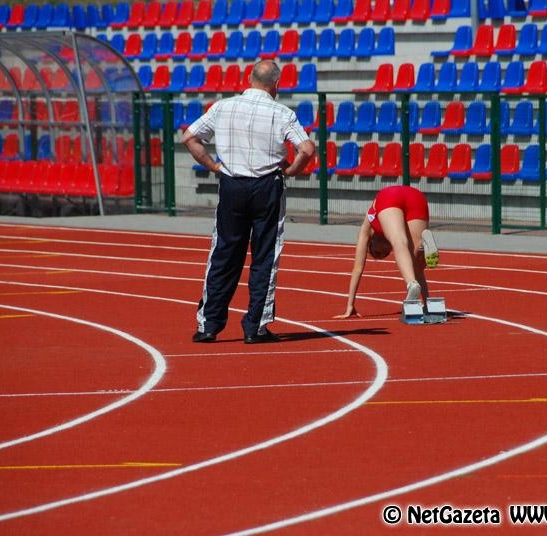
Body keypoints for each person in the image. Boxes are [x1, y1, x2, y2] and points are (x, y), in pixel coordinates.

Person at [183, 60, 316, 344]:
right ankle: (255, 326)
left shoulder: (223, 106)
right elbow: (306, 148)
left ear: (250, 77)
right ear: (276, 85)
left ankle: (209, 324)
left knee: (223, 254)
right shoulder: (282, 113)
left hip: (232, 184)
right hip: (267, 185)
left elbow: (190, 137)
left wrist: (213, 166)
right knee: (265, 257)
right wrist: (292, 170)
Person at [334, 185, 438, 319]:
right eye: (385, 254)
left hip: (388, 197)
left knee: (399, 241)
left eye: (377, 253)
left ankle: (411, 284)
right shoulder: (390, 228)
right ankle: (423, 247)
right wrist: (427, 302)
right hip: (415, 196)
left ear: (371, 244)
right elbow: (418, 271)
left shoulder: (366, 231)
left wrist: (350, 305)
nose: (384, 252)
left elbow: (357, 269)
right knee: (416, 259)